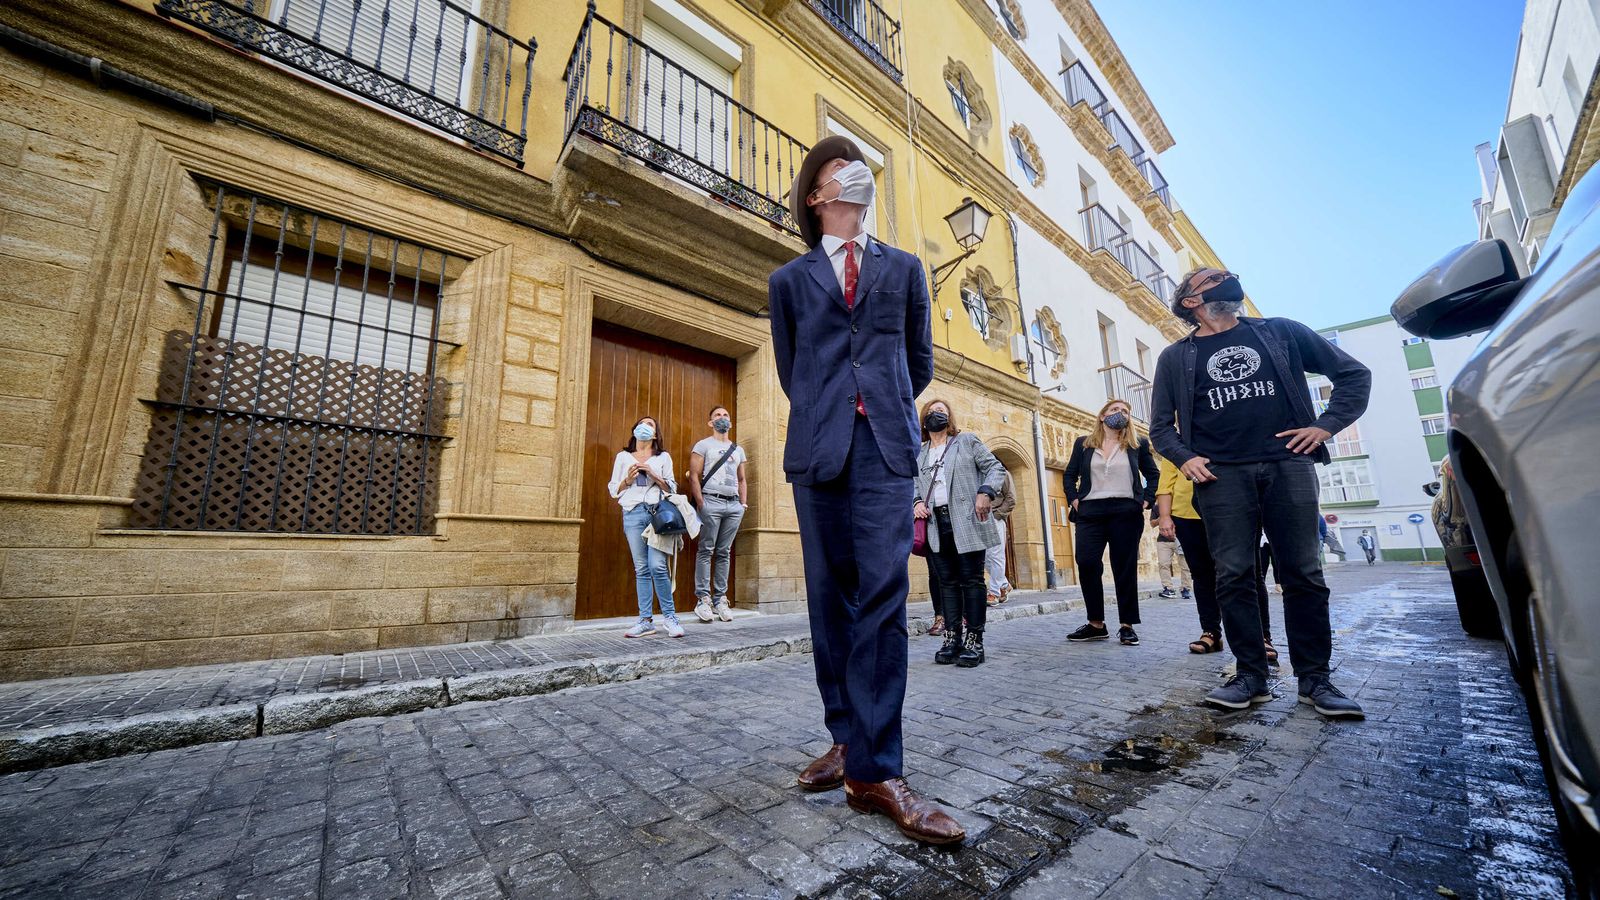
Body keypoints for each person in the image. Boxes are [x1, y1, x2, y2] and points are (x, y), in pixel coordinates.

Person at [769, 136, 963, 844]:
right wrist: (833, 410)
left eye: (857, 169)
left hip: (884, 450)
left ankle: (877, 771)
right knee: (830, 602)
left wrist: (873, 404)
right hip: (818, 453)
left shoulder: (904, 269)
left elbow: (917, 362)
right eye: (834, 172)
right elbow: (795, 370)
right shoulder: (788, 281)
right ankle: (846, 741)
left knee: (881, 598)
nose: (851, 177)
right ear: (816, 197)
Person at [1150, 267, 1371, 719]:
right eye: (1213, 279)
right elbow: (1159, 428)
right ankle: (1250, 675)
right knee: (1233, 575)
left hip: (1288, 465)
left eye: (1228, 275)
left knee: (1303, 573)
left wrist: (1326, 426)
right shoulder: (1177, 357)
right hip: (1220, 476)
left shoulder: (1281, 332)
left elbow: (1353, 374)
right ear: (1190, 301)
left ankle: (1315, 680)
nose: (1228, 280)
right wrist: (1185, 457)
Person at [914, 400, 1006, 667]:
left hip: (966, 520)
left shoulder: (966, 442)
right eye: (932, 412)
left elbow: (995, 467)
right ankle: (952, 638)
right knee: (947, 583)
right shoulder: (919, 454)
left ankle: (974, 641)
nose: (937, 415)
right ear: (924, 420)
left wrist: (985, 491)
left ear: (949, 417)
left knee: (972, 580)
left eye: (942, 411)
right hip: (936, 524)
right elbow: (913, 486)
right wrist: (916, 503)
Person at [1064, 399, 1159, 647]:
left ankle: (1127, 625)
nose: (1121, 414)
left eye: (1125, 411)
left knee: (1124, 567)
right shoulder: (1083, 444)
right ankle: (1096, 624)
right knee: (1086, 562)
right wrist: (1073, 498)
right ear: (1102, 416)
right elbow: (1069, 474)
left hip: (1125, 510)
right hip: (1090, 511)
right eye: (1115, 410)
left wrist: (1146, 500)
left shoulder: (1138, 445)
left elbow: (1153, 474)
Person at [607, 416, 684, 639]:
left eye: (650, 425)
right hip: (632, 514)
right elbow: (614, 489)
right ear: (634, 430)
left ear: (655, 434)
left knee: (658, 566)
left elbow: (672, 486)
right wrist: (628, 480)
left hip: (656, 515)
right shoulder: (623, 457)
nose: (645, 427)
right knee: (641, 568)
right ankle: (645, 621)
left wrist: (652, 473)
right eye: (643, 423)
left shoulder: (663, 457)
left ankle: (670, 618)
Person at [689, 405, 747, 623]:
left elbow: (742, 479)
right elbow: (694, 475)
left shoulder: (737, 449)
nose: (722, 418)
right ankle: (702, 599)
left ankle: (720, 599)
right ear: (710, 422)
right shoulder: (703, 445)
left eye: (725, 415)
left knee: (724, 551)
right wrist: (702, 503)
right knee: (706, 549)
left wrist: (743, 503)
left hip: (733, 506)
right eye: (717, 416)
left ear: (730, 422)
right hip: (710, 502)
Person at [985, 470, 1017, 606]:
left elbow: (1011, 498)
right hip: (979, 519)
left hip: (995, 518)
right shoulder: (977, 473)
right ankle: (1004, 585)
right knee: (985, 556)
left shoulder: (1003, 473)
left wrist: (997, 515)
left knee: (996, 555)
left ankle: (994, 593)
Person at [1153, 506, 1191, 600]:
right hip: (1163, 541)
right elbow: (1152, 523)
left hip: (1180, 539)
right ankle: (1168, 589)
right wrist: (1162, 518)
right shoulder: (1157, 507)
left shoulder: (1178, 505)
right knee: (1163, 564)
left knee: (1185, 565)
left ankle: (1185, 589)